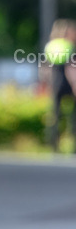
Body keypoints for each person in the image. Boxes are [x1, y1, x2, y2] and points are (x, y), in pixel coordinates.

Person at [43, 19, 76, 150]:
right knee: (72, 118)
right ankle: (72, 148)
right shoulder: (69, 47)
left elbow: (45, 67)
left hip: (55, 84)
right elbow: (72, 68)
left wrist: (46, 81)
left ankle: (53, 146)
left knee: (55, 116)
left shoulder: (51, 47)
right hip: (68, 85)